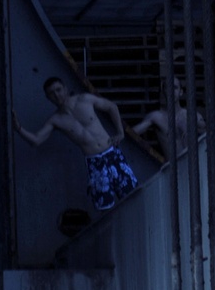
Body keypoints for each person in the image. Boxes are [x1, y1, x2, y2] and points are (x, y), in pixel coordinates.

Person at [13, 77, 138, 212]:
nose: (56, 95)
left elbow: (111, 107)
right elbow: (36, 140)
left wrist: (120, 132)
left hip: (112, 154)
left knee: (133, 196)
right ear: (48, 97)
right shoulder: (56, 119)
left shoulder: (85, 99)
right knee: (105, 206)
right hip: (95, 162)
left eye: (58, 90)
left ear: (65, 89)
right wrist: (18, 127)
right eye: (51, 93)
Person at [133, 76, 204, 159]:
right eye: (168, 88)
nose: (171, 91)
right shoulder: (156, 117)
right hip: (172, 168)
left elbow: (210, 136)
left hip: (193, 165)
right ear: (164, 92)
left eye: (175, 88)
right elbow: (131, 134)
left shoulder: (193, 116)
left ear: (181, 92)